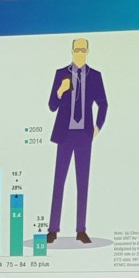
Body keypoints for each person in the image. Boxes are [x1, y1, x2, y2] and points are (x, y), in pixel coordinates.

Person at [46, 37, 107, 244]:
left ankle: (81, 230)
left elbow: (103, 103)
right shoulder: (61, 74)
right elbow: (52, 106)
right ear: (71, 51)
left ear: (88, 51)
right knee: (59, 181)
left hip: (84, 135)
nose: (79, 53)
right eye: (76, 49)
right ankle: (53, 229)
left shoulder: (95, 76)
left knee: (83, 182)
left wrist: (97, 127)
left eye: (83, 49)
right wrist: (60, 90)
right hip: (64, 135)